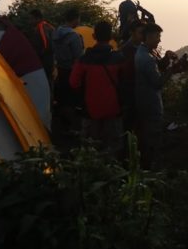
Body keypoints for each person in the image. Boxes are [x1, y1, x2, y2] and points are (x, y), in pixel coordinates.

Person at [69, 21, 124, 155]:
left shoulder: (84, 60)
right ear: (111, 36)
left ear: (93, 36)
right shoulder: (119, 59)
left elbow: (73, 83)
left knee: (91, 150)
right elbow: (126, 82)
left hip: (90, 111)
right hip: (113, 110)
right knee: (112, 149)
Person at [133, 22, 170, 170]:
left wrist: (166, 58)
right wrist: (173, 69)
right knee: (152, 140)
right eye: (157, 36)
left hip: (144, 102)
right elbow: (158, 82)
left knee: (147, 139)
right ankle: (151, 171)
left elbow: (157, 68)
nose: (159, 40)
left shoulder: (146, 52)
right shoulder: (146, 58)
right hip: (150, 104)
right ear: (148, 37)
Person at [51, 8, 84, 133]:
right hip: (71, 71)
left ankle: (61, 126)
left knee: (62, 98)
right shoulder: (74, 36)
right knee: (71, 100)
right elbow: (78, 58)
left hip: (60, 70)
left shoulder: (55, 33)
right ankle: (71, 128)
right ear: (75, 19)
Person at [117, 19, 146, 139]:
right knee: (129, 125)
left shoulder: (144, 48)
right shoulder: (125, 51)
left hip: (140, 92)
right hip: (129, 93)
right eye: (140, 33)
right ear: (132, 33)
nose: (143, 36)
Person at [29, 9, 56, 83]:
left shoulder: (40, 29)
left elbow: (44, 47)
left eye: (31, 19)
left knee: (43, 83)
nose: (30, 21)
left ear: (38, 19)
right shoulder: (49, 26)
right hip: (50, 62)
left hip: (43, 63)